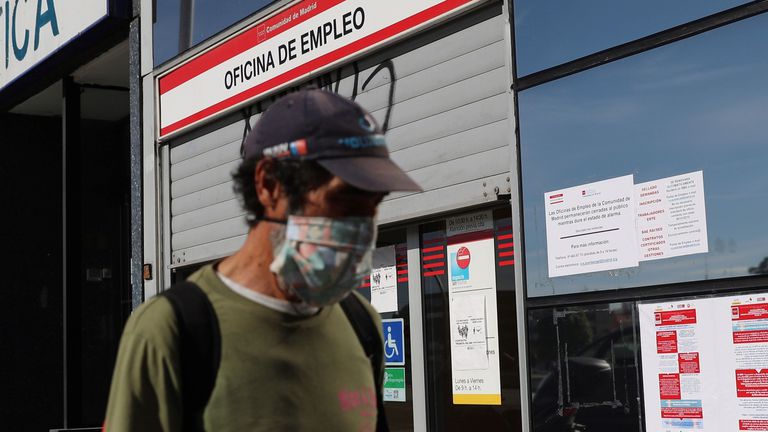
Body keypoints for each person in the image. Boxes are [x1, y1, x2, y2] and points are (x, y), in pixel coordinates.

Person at [103, 89, 421, 431]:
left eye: (374, 204)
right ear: (269, 184)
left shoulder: (362, 325)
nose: (364, 226)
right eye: (345, 200)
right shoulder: (171, 330)